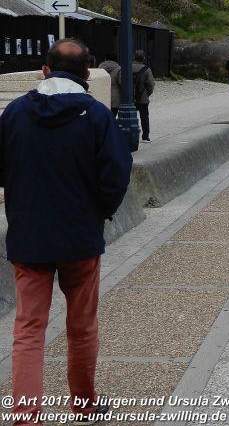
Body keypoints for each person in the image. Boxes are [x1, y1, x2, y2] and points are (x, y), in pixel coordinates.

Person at [0, 39, 131, 422]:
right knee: (82, 326)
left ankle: (27, 414)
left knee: (28, 329)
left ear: (44, 69)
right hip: (80, 238)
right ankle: (84, 403)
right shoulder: (95, 115)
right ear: (87, 74)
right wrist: (99, 213)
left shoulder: (15, 112)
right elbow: (116, 175)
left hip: (29, 238)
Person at [131, 50, 156, 143]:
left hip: (129, 98)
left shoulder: (128, 67)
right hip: (142, 97)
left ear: (134, 57)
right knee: (144, 117)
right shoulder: (147, 70)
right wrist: (147, 93)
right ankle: (145, 136)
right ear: (143, 58)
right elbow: (151, 84)